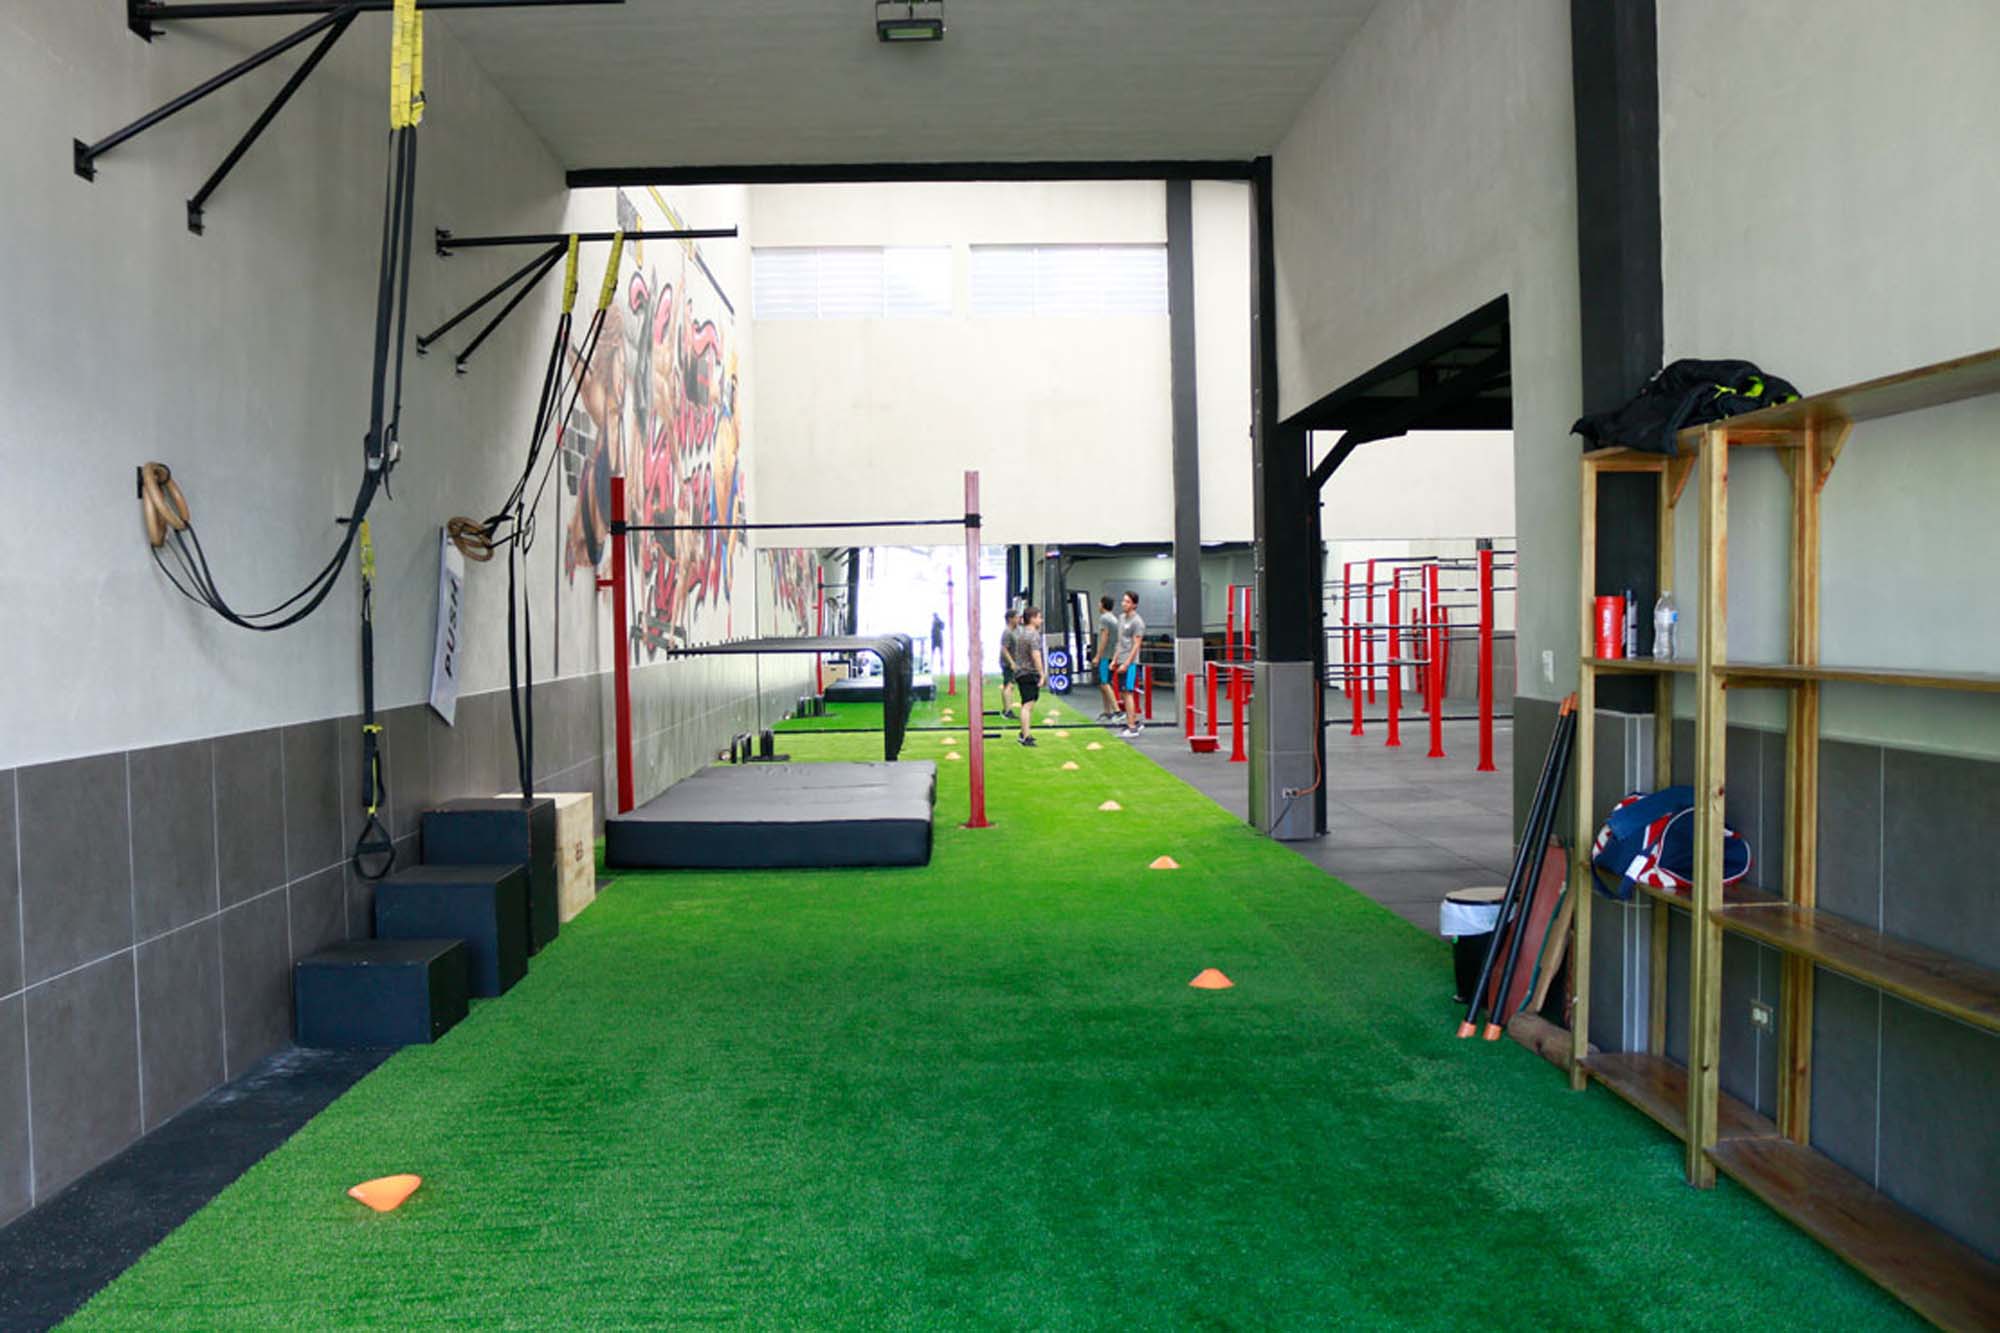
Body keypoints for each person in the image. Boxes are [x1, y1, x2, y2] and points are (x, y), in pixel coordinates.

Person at [1113, 590, 1146, 739]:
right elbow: (1120, 642)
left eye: (1127, 601)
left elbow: (1136, 645)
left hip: (1131, 663)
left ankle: (1132, 727)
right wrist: (1114, 660)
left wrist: (1127, 663)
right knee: (1123, 693)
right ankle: (1133, 721)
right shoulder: (1121, 618)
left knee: (1128, 692)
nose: (1124, 603)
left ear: (1134, 605)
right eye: (1123, 601)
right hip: (1121, 660)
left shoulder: (1137, 622)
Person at [1014, 606, 1048, 746]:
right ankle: (1025, 736)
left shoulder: (1022, 634)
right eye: (1039, 617)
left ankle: (1024, 732)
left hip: (1021, 672)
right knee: (1028, 705)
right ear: (1032, 618)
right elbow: (1036, 655)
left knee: (1026, 703)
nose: (1041, 620)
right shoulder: (1033, 635)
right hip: (1029, 673)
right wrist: (1042, 674)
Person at [1092, 594, 1121, 722]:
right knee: (1104, 683)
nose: (1098, 605)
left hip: (1106, 655)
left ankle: (1117, 711)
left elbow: (1104, 638)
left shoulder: (1104, 619)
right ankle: (1107, 711)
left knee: (1104, 683)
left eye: (1099, 603)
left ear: (1103, 605)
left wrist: (1098, 656)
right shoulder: (1113, 618)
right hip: (1112, 654)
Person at [998, 607, 1021, 719]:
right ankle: (1008, 711)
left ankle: (1006, 709)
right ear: (1010, 619)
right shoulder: (1007, 632)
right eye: (1016, 617)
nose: (1018, 619)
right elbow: (1004, 649)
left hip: (1015, 661)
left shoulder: (1017, 630)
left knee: (1008, 685)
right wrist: (1011, 662)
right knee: (1009, 685)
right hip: (1007, 663)